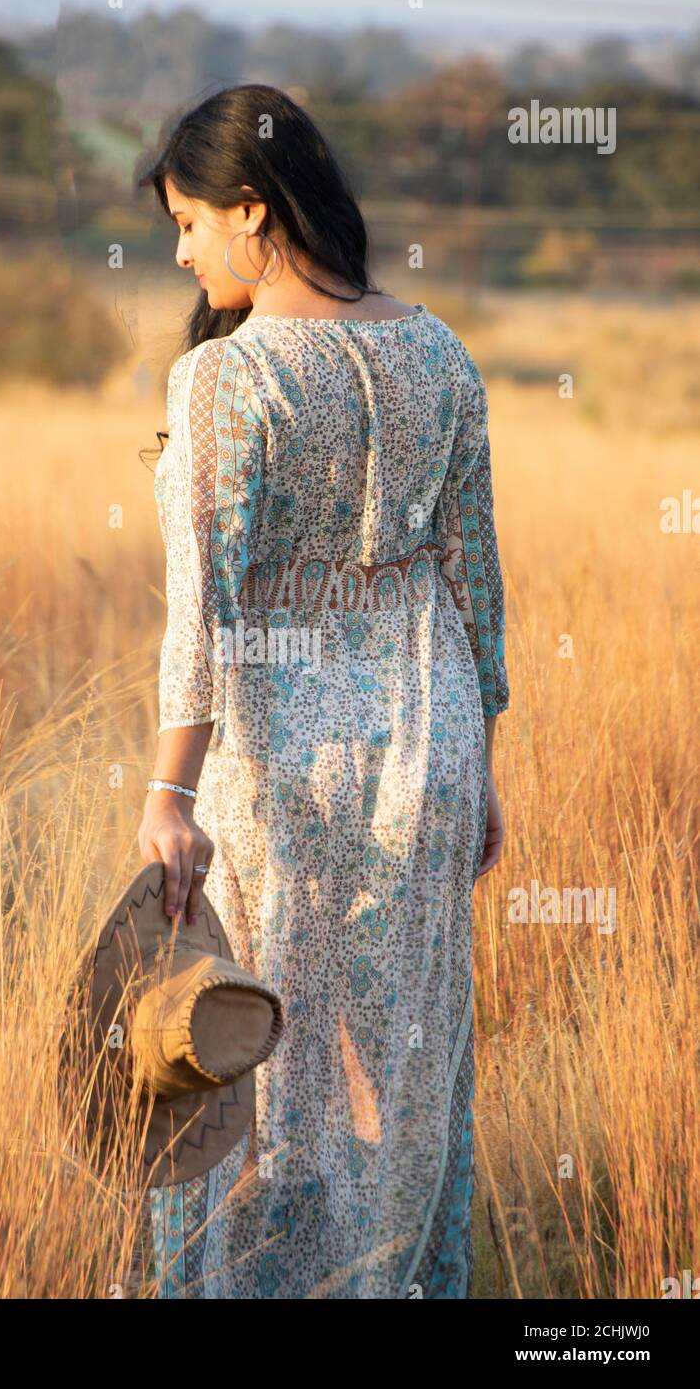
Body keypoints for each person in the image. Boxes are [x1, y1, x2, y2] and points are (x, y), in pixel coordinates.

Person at [135, 84, 508, 1299]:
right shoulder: (439, 350)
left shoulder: (225, 382)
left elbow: (202, 604)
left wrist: (166, 792)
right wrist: (481, 766)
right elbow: (474, 580)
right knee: (401, 1062)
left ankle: (255, 1287)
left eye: (190, 222)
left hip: (278, 762)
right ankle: (396, 1282)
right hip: (426, 735)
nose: (184, 251)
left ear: (253, 210)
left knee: (248, 1044)